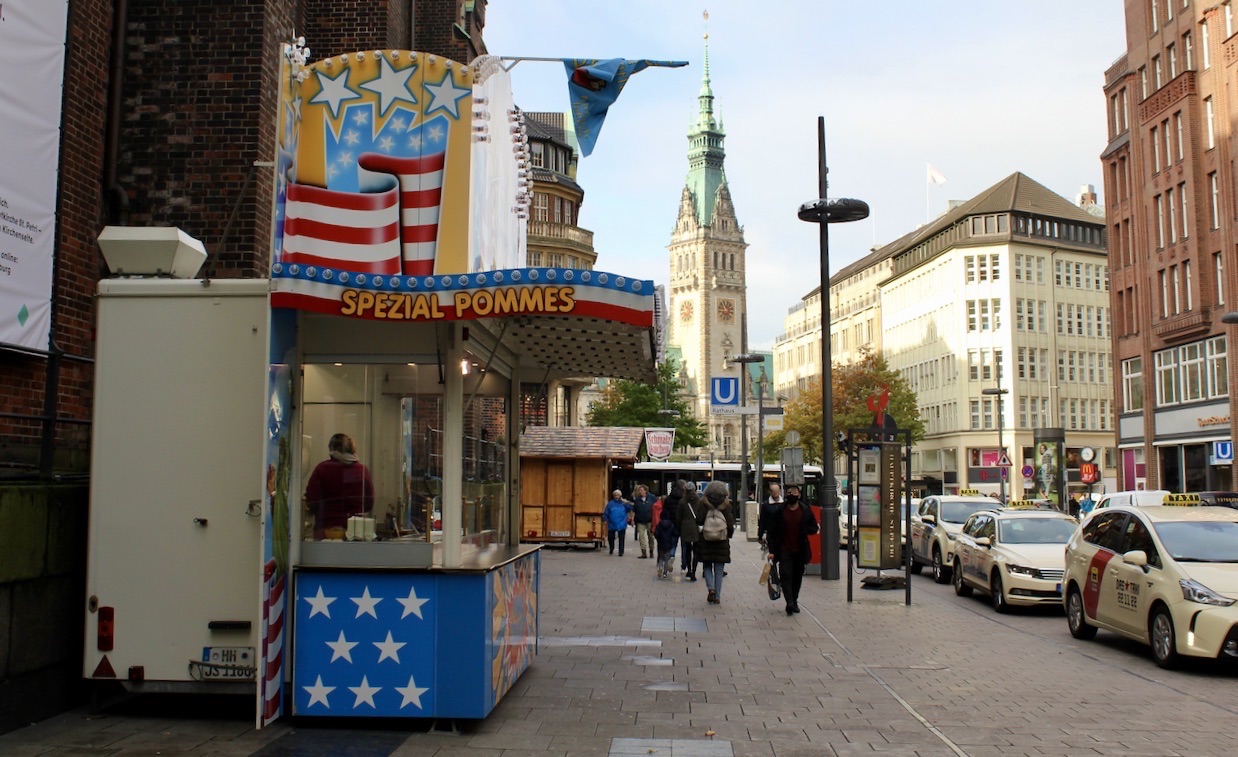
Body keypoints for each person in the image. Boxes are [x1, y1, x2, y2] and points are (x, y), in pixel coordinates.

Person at [761, 484, 819, 614]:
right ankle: (789, 602)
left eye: (794, 492)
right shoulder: (780, 511)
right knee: (786, 575)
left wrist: (805, 530)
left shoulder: (805, 510)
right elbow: (773, 532)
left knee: (797, 576)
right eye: (789, 493)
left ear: (798, 495)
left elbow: (814, 528)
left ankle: (794, 599)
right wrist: (772, 552)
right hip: (784, 550)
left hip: (800, 550)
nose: (791, 495)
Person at [305, 432, 374, 540]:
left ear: (332, 450)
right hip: (355, 533)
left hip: (325, 532)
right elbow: (369, 504)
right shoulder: (362, 470)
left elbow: (311, 502)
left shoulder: (322, 469)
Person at [695, 481, 735, 604]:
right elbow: (730, 522)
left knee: (707, 565)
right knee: (719, 568)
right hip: (721, 540)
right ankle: (717, 596)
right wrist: (729, 534)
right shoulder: (726, 504)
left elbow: (699, 520)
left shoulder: (703, 503)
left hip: (706, 539)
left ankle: (710, 589)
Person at [675, 480, 701, 581]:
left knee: (687, 551)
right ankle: (694, 572)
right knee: (696, 551)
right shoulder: (699, 501)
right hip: (696, 528)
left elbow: (678, 517)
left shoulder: (682, 501)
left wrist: (680, 527)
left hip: (685, 528)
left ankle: (689, 571)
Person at [653, 503, 680, 579]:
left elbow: (656, 533)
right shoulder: (671, 525)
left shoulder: (659, 524)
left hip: (661, 544)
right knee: (666, 559)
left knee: (661, 558)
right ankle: (665, 573)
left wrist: (657, 537)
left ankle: (660, 568)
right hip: (669, 544)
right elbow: (675, 533)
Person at [631, 484, 657, 558]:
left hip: (650, 521)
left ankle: (651, 551)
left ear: (646, 491)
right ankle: (644, 552)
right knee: (641, 537)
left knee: (651, 537)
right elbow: (634, 510)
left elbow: (656, 508)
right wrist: (632, 520)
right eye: (639, 490)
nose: (640, 491)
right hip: (640, 521)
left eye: (641, 490)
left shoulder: (652, 497)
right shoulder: (637, 500)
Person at [756, 483, 784, 552]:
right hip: (771, 535)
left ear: (779, 491)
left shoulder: (784, 504)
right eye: (773, 491)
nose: (775, 493)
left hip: (784, 534)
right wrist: (760, 535)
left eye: (776, 491)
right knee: (772, 554)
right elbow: (762, 521)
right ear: (770, 492)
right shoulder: (766, 505)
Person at [603, 489, 632, 556]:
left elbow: (630, 509)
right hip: (612, 523)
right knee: (610, 537)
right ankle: (611, 548)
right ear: (613, 496)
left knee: (621, 538)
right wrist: (604, 519)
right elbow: (606, 512)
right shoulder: (610, 504)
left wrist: (626, 503)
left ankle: (621, 551)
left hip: (621, 523)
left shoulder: (623, 503)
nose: (616, 496)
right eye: (615, 495)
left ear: (620, 496)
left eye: (618, 495)